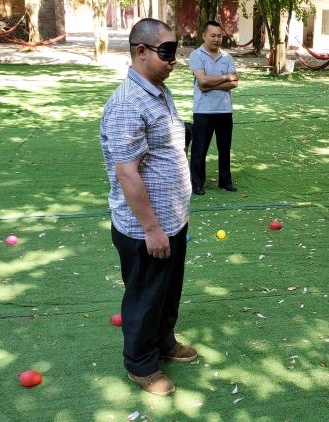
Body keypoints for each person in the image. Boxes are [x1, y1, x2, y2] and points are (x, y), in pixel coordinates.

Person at [99, 18, 197, 397]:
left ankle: (164, 342)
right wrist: (153, 228)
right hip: (146, 229)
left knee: (167, 290)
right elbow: (127, 175)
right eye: (168, 52)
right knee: (144, 296)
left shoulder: (158, 90)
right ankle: (141, 364)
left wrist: (175, 218)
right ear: (141, 51)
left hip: (172, 220)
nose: (175, 60)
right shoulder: (128, 103)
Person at [189, 20, 239, 195]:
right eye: (213, 35)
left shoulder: (227, 57)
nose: (217, 39)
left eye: (219, 36)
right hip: (203, 110)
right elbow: (202, 80)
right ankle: (197, 183)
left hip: (225, 110)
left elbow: (234, 83)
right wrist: (225, 77)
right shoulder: (196, 55)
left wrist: (211, 85)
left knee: (224, 149)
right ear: (204, 36)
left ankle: (225, 181)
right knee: (199, 149)